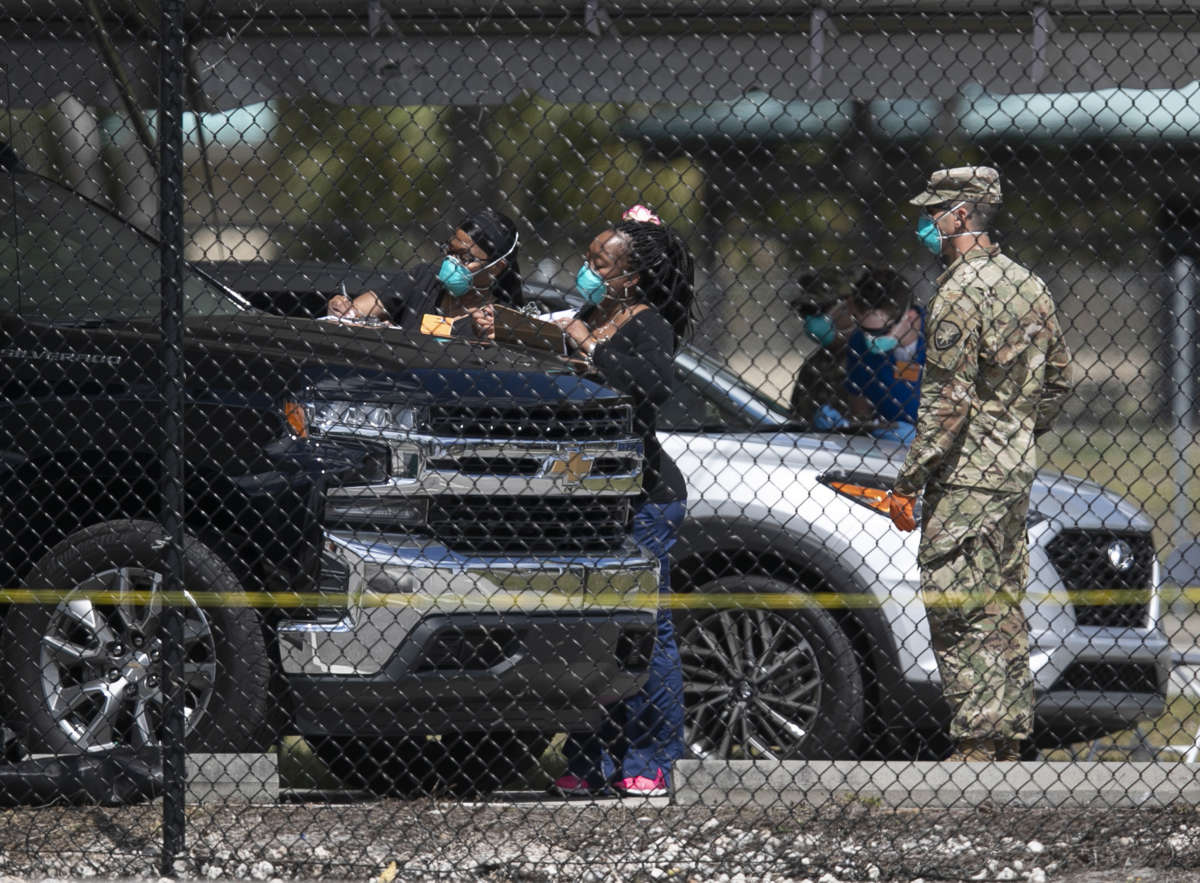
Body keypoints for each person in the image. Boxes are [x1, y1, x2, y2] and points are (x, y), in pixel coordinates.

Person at [887, 166, 1072, 762]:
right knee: (1001, 600)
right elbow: (1059, 380)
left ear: (962, 215)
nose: (927, 223)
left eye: (934, 211)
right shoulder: (1029, 284)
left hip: (965, 472)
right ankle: (1008, 733)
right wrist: (1017, 428)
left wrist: (908, 480)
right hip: (1013, 466)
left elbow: (947, 401)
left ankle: (974, 739)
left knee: (954, 601)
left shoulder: (958, 293)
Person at [550, 214, 695, 798]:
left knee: (646, 627)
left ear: (630, 277)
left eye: (599, 264)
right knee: (591, 627)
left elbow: (651, 385)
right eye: (586, 259)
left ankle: (654, 755)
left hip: (645, 500)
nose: (586, 272)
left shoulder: (647, 325)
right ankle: (591, 758)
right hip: (591, 495)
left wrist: (585, 344)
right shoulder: (590, 316)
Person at [326, 208, 523, 338]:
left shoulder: (501, 321)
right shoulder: (424, 278)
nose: (451, 261)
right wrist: (342, 310)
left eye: (465, 258)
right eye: (450, 250)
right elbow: (357, 310)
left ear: (496, 267)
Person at [844, 267, 926, 444]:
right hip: (885, 448)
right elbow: (859, 408)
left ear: (909, 317)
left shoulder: (944, 339)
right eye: (865, 330)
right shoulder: (859, 344)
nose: (871, 339)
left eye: (881, 331)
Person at [786, 270, 856, 426]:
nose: (810, 320)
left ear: (850, 308)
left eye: (820, 311)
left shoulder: (877, 361)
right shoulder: (813, 365)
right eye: (806, 313)